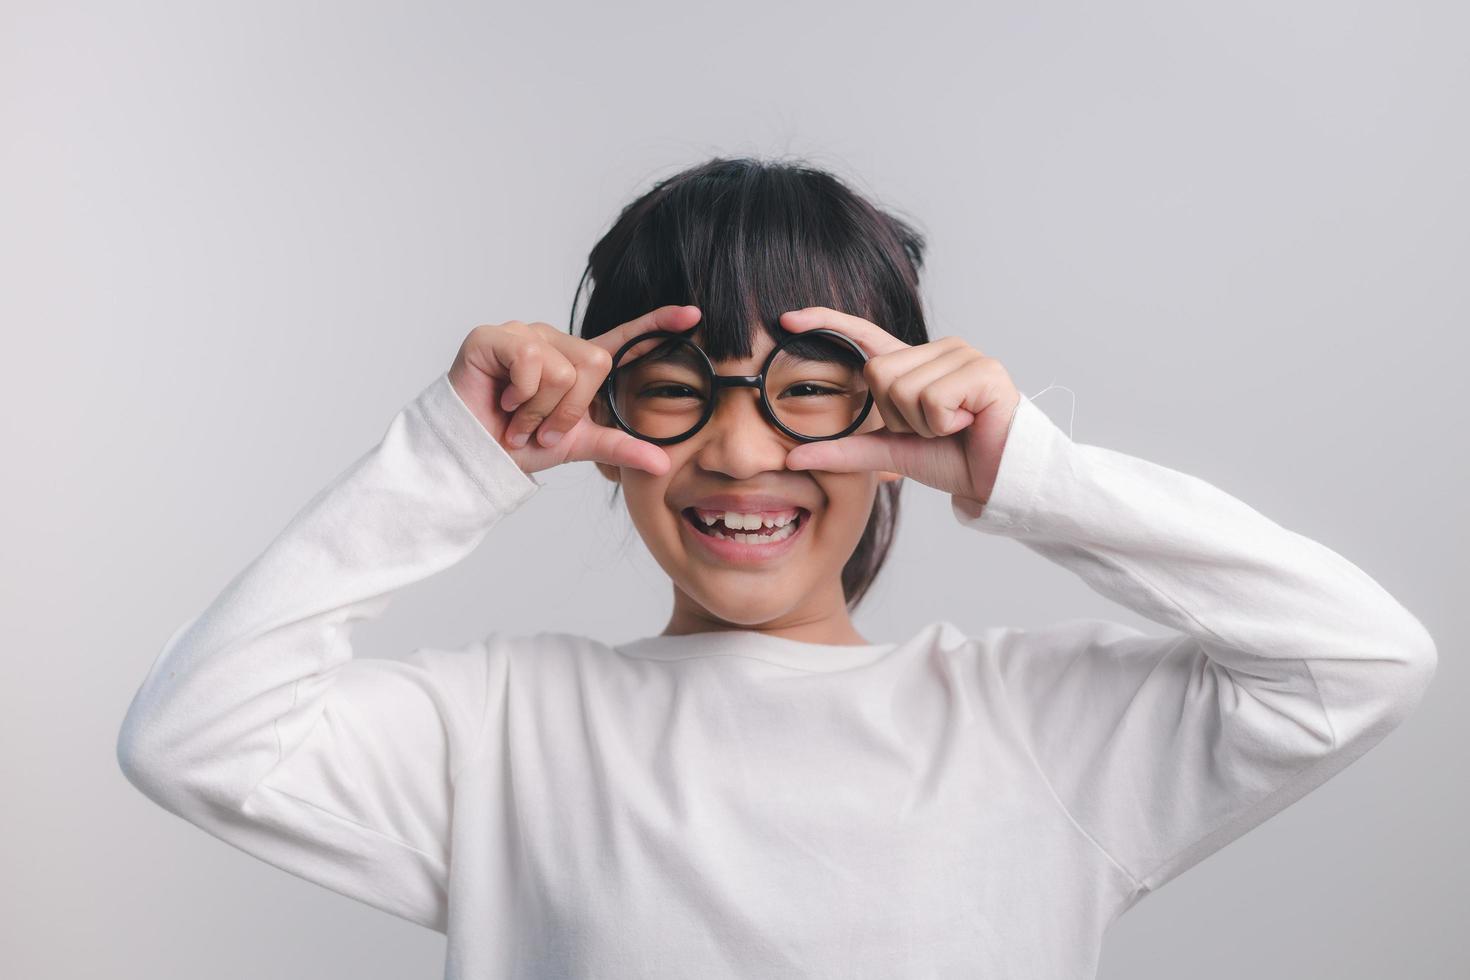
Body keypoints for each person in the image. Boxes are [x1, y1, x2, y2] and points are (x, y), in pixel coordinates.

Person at [116, 157, 1437, 979]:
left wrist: (1022, 470)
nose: (742, 452)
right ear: (607, 417)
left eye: (811, 392)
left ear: (904, 417)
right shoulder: (502, 733)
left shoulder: (1035, 730)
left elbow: (1359, 661)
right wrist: (456, 457)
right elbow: (198, 741)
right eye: (676, 392)